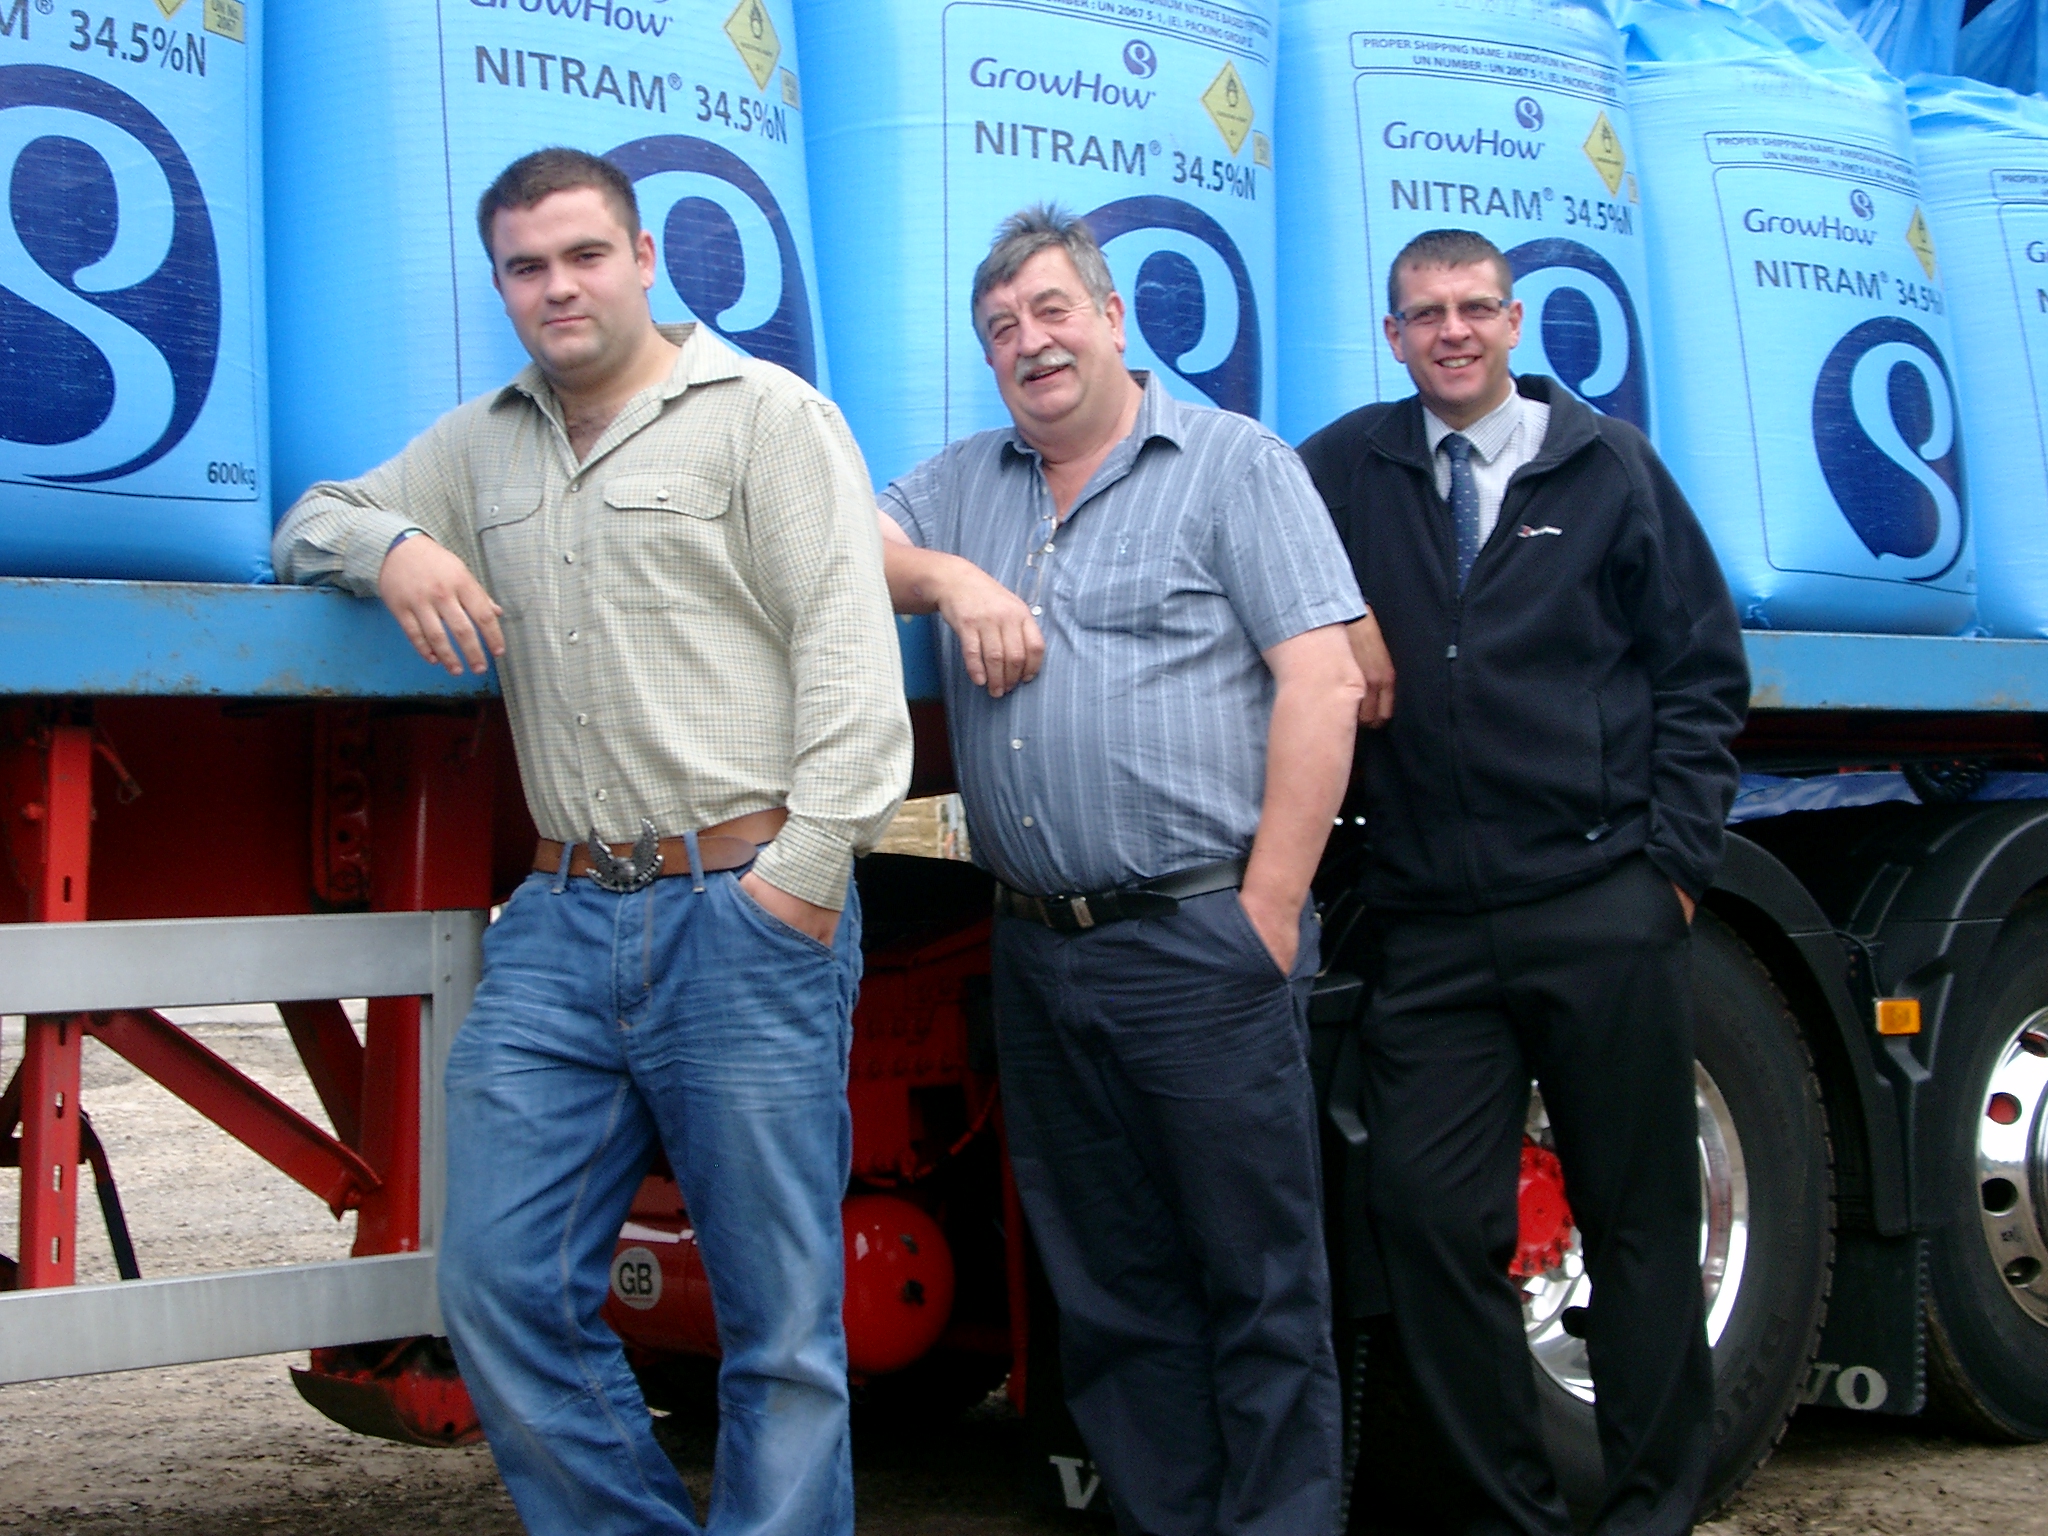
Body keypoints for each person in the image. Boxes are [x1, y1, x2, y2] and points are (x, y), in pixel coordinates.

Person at [272, 146, 910, 1536]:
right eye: (524, 267)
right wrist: (394, 551)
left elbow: (854, 674)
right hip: (561, 922)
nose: (555, 288)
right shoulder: (485, 441)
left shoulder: (767, 417)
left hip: (742, 906)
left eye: (581, 256)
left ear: (644, 260)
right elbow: (308, 518)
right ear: (499, 284)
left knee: (781, 1331)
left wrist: (795, 890)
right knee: (497, 1287)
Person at [875, 204, 1366, 1536]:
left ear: (1110, 318)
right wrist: (952, 582)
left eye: (1048, 312)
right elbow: (842, 549)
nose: (1028, 344)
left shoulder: (1230, 465)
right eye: (1000, 330)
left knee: (1256, 1286)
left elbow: (1324, 684)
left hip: (1197, 940)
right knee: (1108, 1291)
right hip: (1037, 947)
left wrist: (1263, 915)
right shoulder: (970, 483)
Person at [1296, 227, 1750, 1536]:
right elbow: (1269, 578)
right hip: (1429, 927)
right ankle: (1514, 1517)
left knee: (1641, 1225)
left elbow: (1700, 676)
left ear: (1514, 321)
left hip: (1600, 907)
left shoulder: (1607, 467)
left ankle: (1654, 1513)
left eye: (1474, 309)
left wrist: (1668, 874)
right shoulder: (1347, 469)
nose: (1452, 331)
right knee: (1428, 1221)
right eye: (1425, 313)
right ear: (1393, 337)